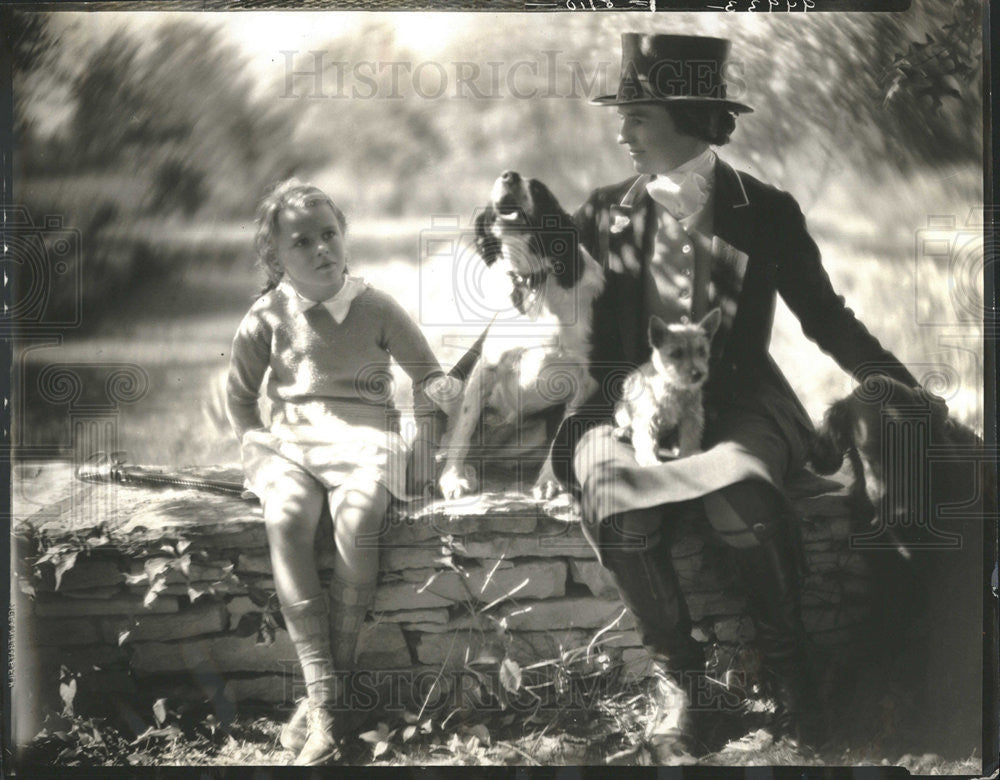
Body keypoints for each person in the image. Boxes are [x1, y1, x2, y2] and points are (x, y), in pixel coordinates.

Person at [549, 33, 922, 758]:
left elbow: (826, 317)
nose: (622, 132)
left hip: (745, 401)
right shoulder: (602, 213)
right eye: (622, 116)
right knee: (613, 498)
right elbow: (559, 314)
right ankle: (682, 681)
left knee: (742, 499)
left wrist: (898, 385)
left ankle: (790, 673)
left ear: (688, 117)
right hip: (628, 404)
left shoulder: (767, 209)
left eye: (638, 117)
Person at [226, 179, 443, 765]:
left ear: (345, 237)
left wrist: (426, 442)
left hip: (366, 438)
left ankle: (325, 703)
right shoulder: (267, 315)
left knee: (358, 518)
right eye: (302, 242)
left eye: (329, 234)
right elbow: (241, 399)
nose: (322, 249)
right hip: (294, 440)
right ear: (276, 257)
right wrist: (255, 442)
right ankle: (328, 698)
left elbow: (430, 378)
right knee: (288, 517)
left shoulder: (375, 305)